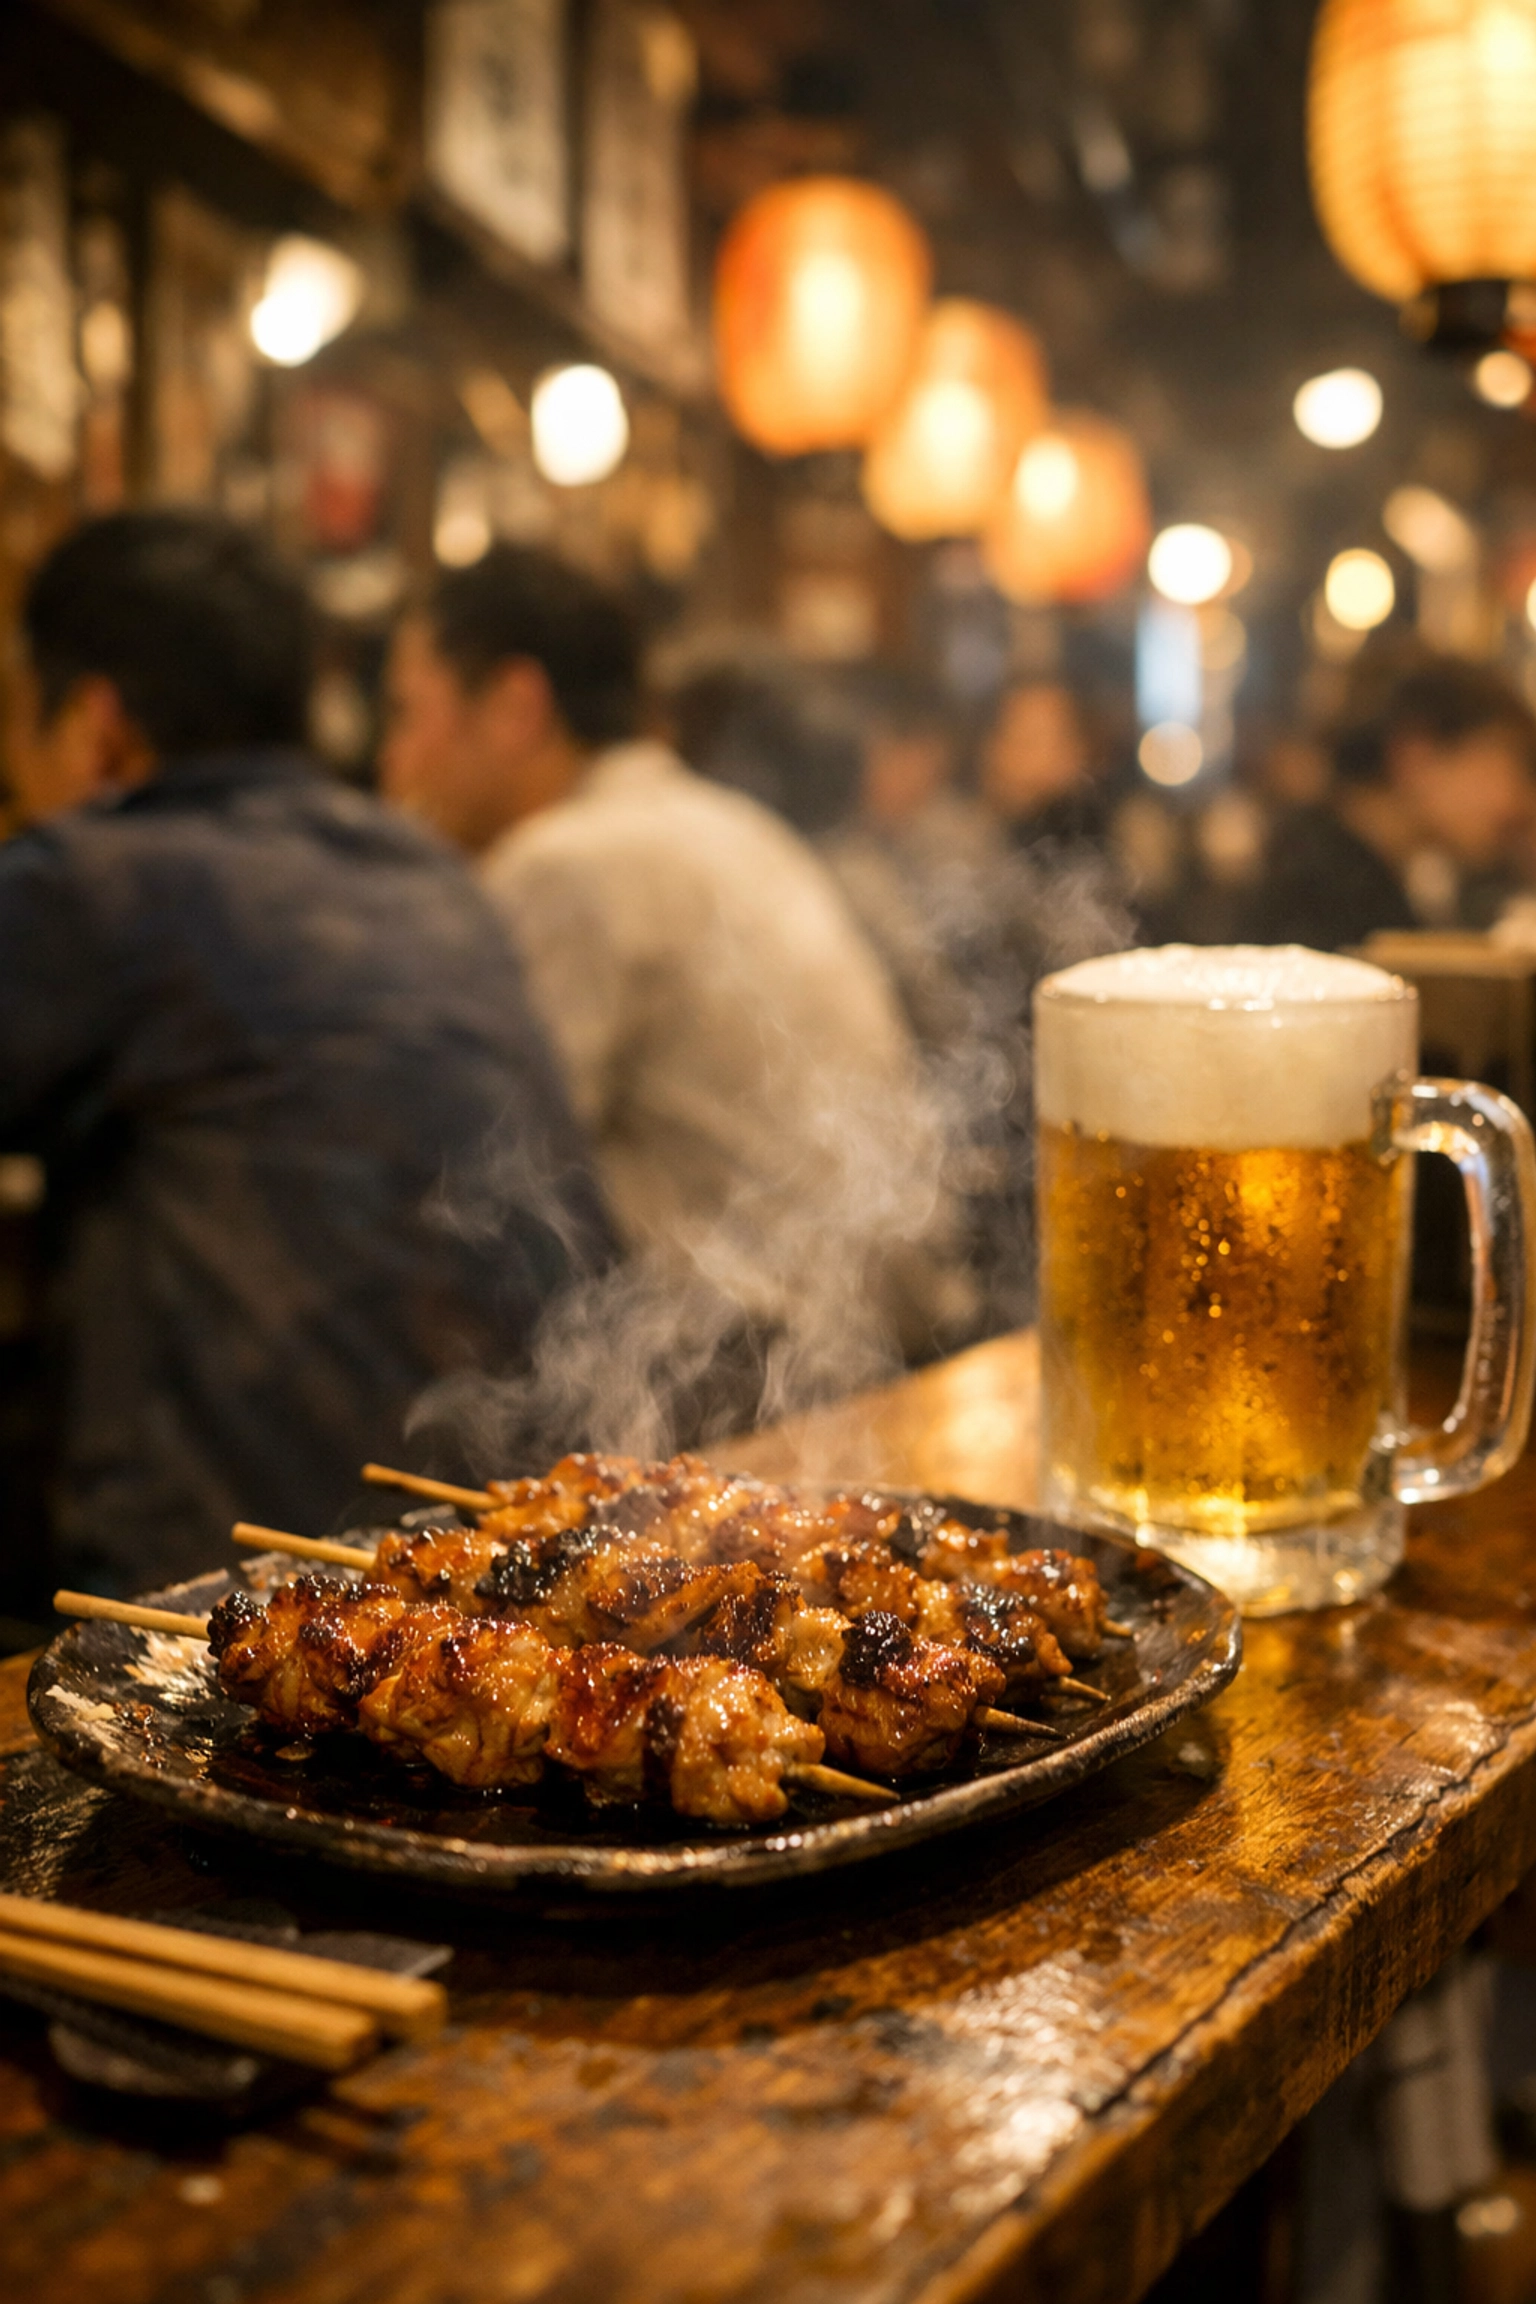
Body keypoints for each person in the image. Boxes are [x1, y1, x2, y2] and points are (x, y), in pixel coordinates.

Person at [0, 512, 611, 1596]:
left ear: (96, 727)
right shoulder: (430, 877)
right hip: (503, 1568)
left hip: (223, 1606)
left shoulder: (99, 879)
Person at [381, 548, 973, 1435]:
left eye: (409, 713)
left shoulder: (566, 862)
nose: (396, 759)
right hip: (879, 1349)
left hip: (759, 1388)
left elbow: (489, 1179)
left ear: (513, 707)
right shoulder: (722, 822)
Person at [1237, 656, 1536, 950]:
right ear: (1416, 756)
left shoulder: (1345, 870)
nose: (1519, 801)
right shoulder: (1331, 904)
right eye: (1506, 764)